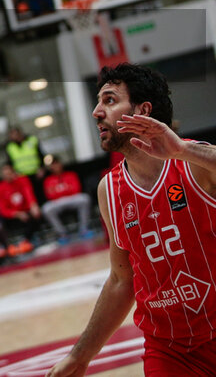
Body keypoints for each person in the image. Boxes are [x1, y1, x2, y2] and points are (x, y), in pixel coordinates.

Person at [48, 63, 216, 376]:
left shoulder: (194, 164)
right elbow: (121, 280)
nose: (97, 111)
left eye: (109, 101)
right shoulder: (109, 191)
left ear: (142, 110)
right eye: (98, 102)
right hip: (170, 351)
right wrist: (80, 356)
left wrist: (181, 150)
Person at [40, 158, 93, 242]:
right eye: (52, 165)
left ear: (60, 164)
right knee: (46, 208)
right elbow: (50, 195)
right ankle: (62, 233)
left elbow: (76, 189)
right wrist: (66, 190)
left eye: (56, 163)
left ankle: (84, 229)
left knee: (84, 198)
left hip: (72, 199)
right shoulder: (48, 180)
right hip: (57, 202)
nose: (55, 166)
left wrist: (59, 192)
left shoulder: (71, 174)